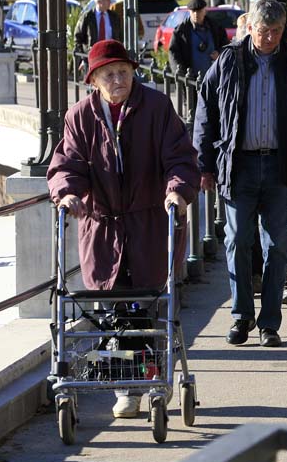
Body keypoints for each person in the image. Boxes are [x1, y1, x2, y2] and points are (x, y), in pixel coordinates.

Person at [47, 39, 200, 418]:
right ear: (93, 80)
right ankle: (128, 388)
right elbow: (67, 164)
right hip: (103, 231)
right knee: (114, 314)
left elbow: (180, 158)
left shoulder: (157, 107)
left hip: (150, 226)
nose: (118, 80)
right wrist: (68, 193)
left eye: (124, 72)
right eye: (109, 74)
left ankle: (150, 380)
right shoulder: (80, 116)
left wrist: (177, 191)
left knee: (149, 311)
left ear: (133, 73)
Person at [193, 0, 287, 348]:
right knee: (237, 240)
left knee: (277, 245)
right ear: (250, 28)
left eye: (277, 31)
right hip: (238, 164)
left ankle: (269, 322)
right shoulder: (229, 60)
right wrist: (203, 164)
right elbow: (205, 111)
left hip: (281, 167)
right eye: (263, 31)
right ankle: (242, 316)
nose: (270, 37)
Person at [169, 0, 229, 81]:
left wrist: (219, 53)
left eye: (199, 11)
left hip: (213, 77)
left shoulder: (216, 27)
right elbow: (173, 52)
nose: (196, 14)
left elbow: (226, 46)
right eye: (193, 11)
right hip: (191, 78)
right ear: (189, 12)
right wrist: (180, 73)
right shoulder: (181, 31)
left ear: (205, 11)